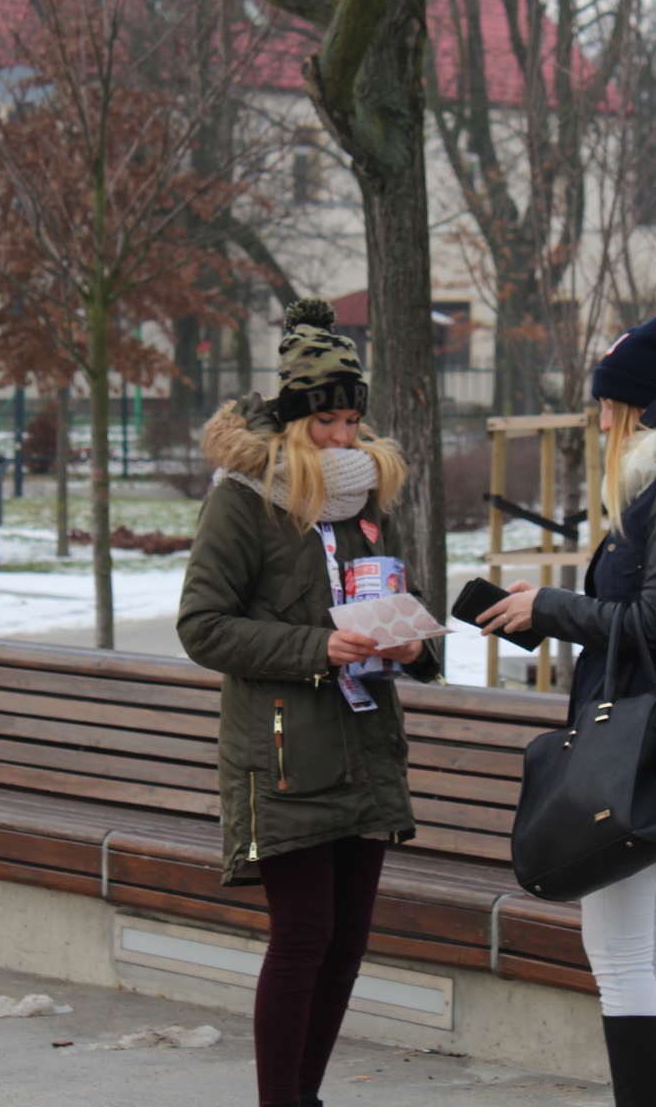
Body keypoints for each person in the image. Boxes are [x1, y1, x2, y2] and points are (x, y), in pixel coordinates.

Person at [477, 316, 656, 1107]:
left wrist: (552, 608)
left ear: (636, 407)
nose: (597, 418)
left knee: (623, 953)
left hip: (654, 740)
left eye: (605, 405)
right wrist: (547, 614)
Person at [177, 298, 438, 1107]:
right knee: (303, 939)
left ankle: (307, 1096)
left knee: (349, 942)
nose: (343, 438)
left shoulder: (366, 499)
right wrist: (313, 647)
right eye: (326, 421)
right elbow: (203, 626)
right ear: (295, 423)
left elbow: (397, 597)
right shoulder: (245, 500)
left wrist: (411, 643)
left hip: (363, 742)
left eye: (353, 420)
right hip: (284, 752)